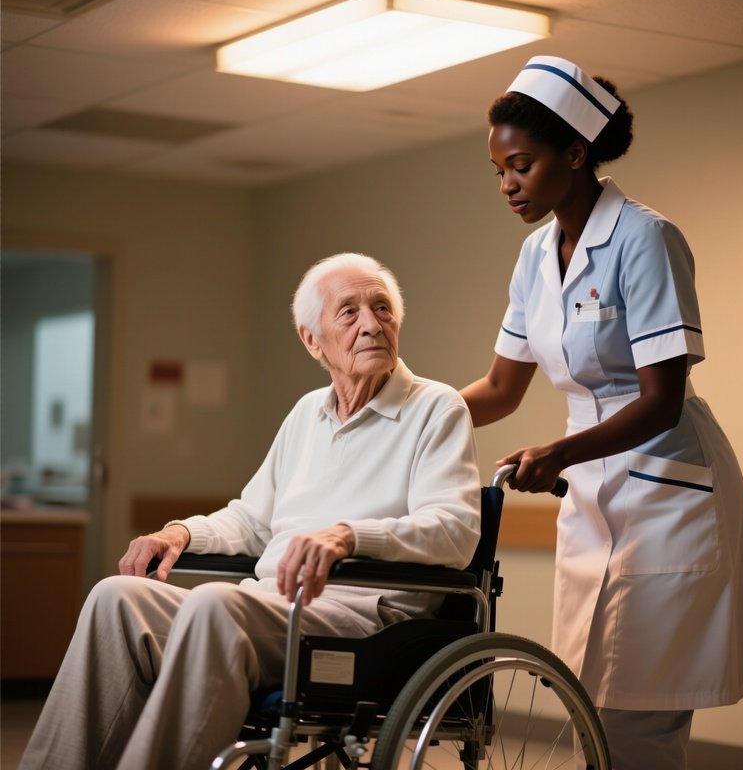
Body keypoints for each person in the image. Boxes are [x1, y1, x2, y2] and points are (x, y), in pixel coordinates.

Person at [21, 252, 481, 770]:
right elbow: (252, 520)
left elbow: (455, 530)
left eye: (381, 308)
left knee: (214, 604)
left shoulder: (435, 408)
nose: (371, 325)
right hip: (273, 609)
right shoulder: (307, 414)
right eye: (349, 312)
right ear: (313, 340)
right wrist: (179, 534)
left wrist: (349, 536)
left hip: (365, 625)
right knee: (116, 598)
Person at [459, 55, 743, 770]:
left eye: (522, 165)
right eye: (499, 171)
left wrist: (559, 453)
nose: (508, 184)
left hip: (665, 486)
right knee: (591, 703)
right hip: (589, 488)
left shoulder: (645, 238)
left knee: (640, 716)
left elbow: (660, 401)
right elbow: (501, 389)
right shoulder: (534, 256)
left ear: (576, 153)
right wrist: (409, 416)